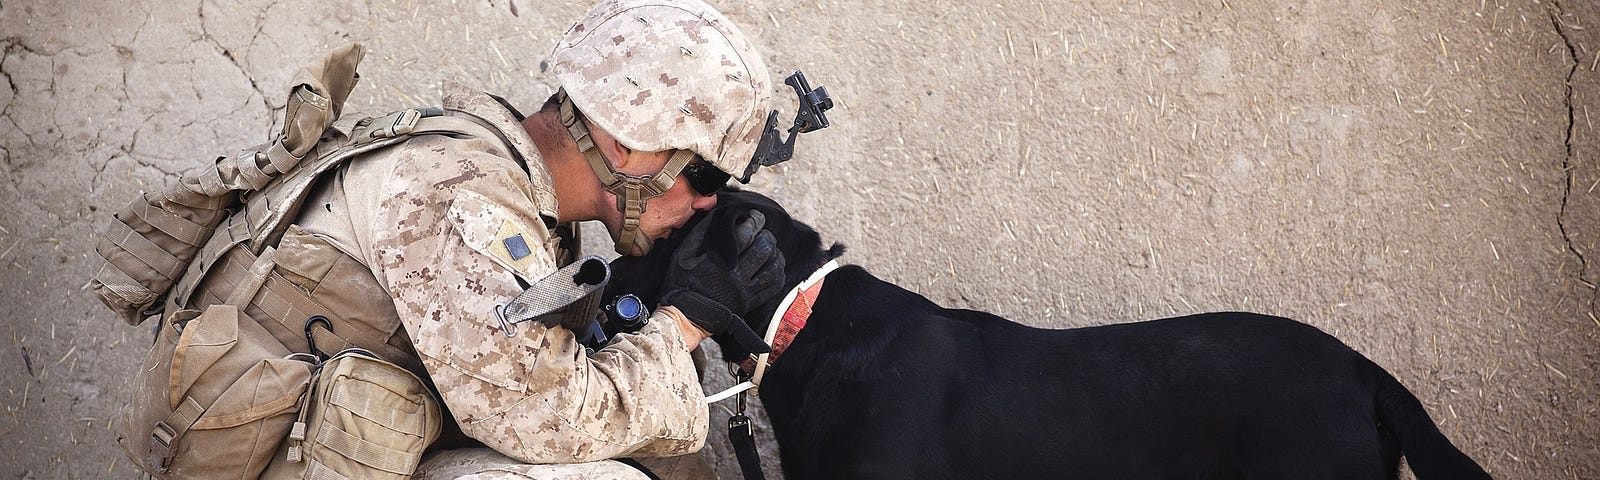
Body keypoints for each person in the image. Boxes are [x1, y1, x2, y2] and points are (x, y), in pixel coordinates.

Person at [220, 0, 794, 477]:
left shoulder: (526, 204)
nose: (708, 202)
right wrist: (685, 324)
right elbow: (546, 415)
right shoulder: (461, 195)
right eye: (706, 175)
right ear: (631, 146)